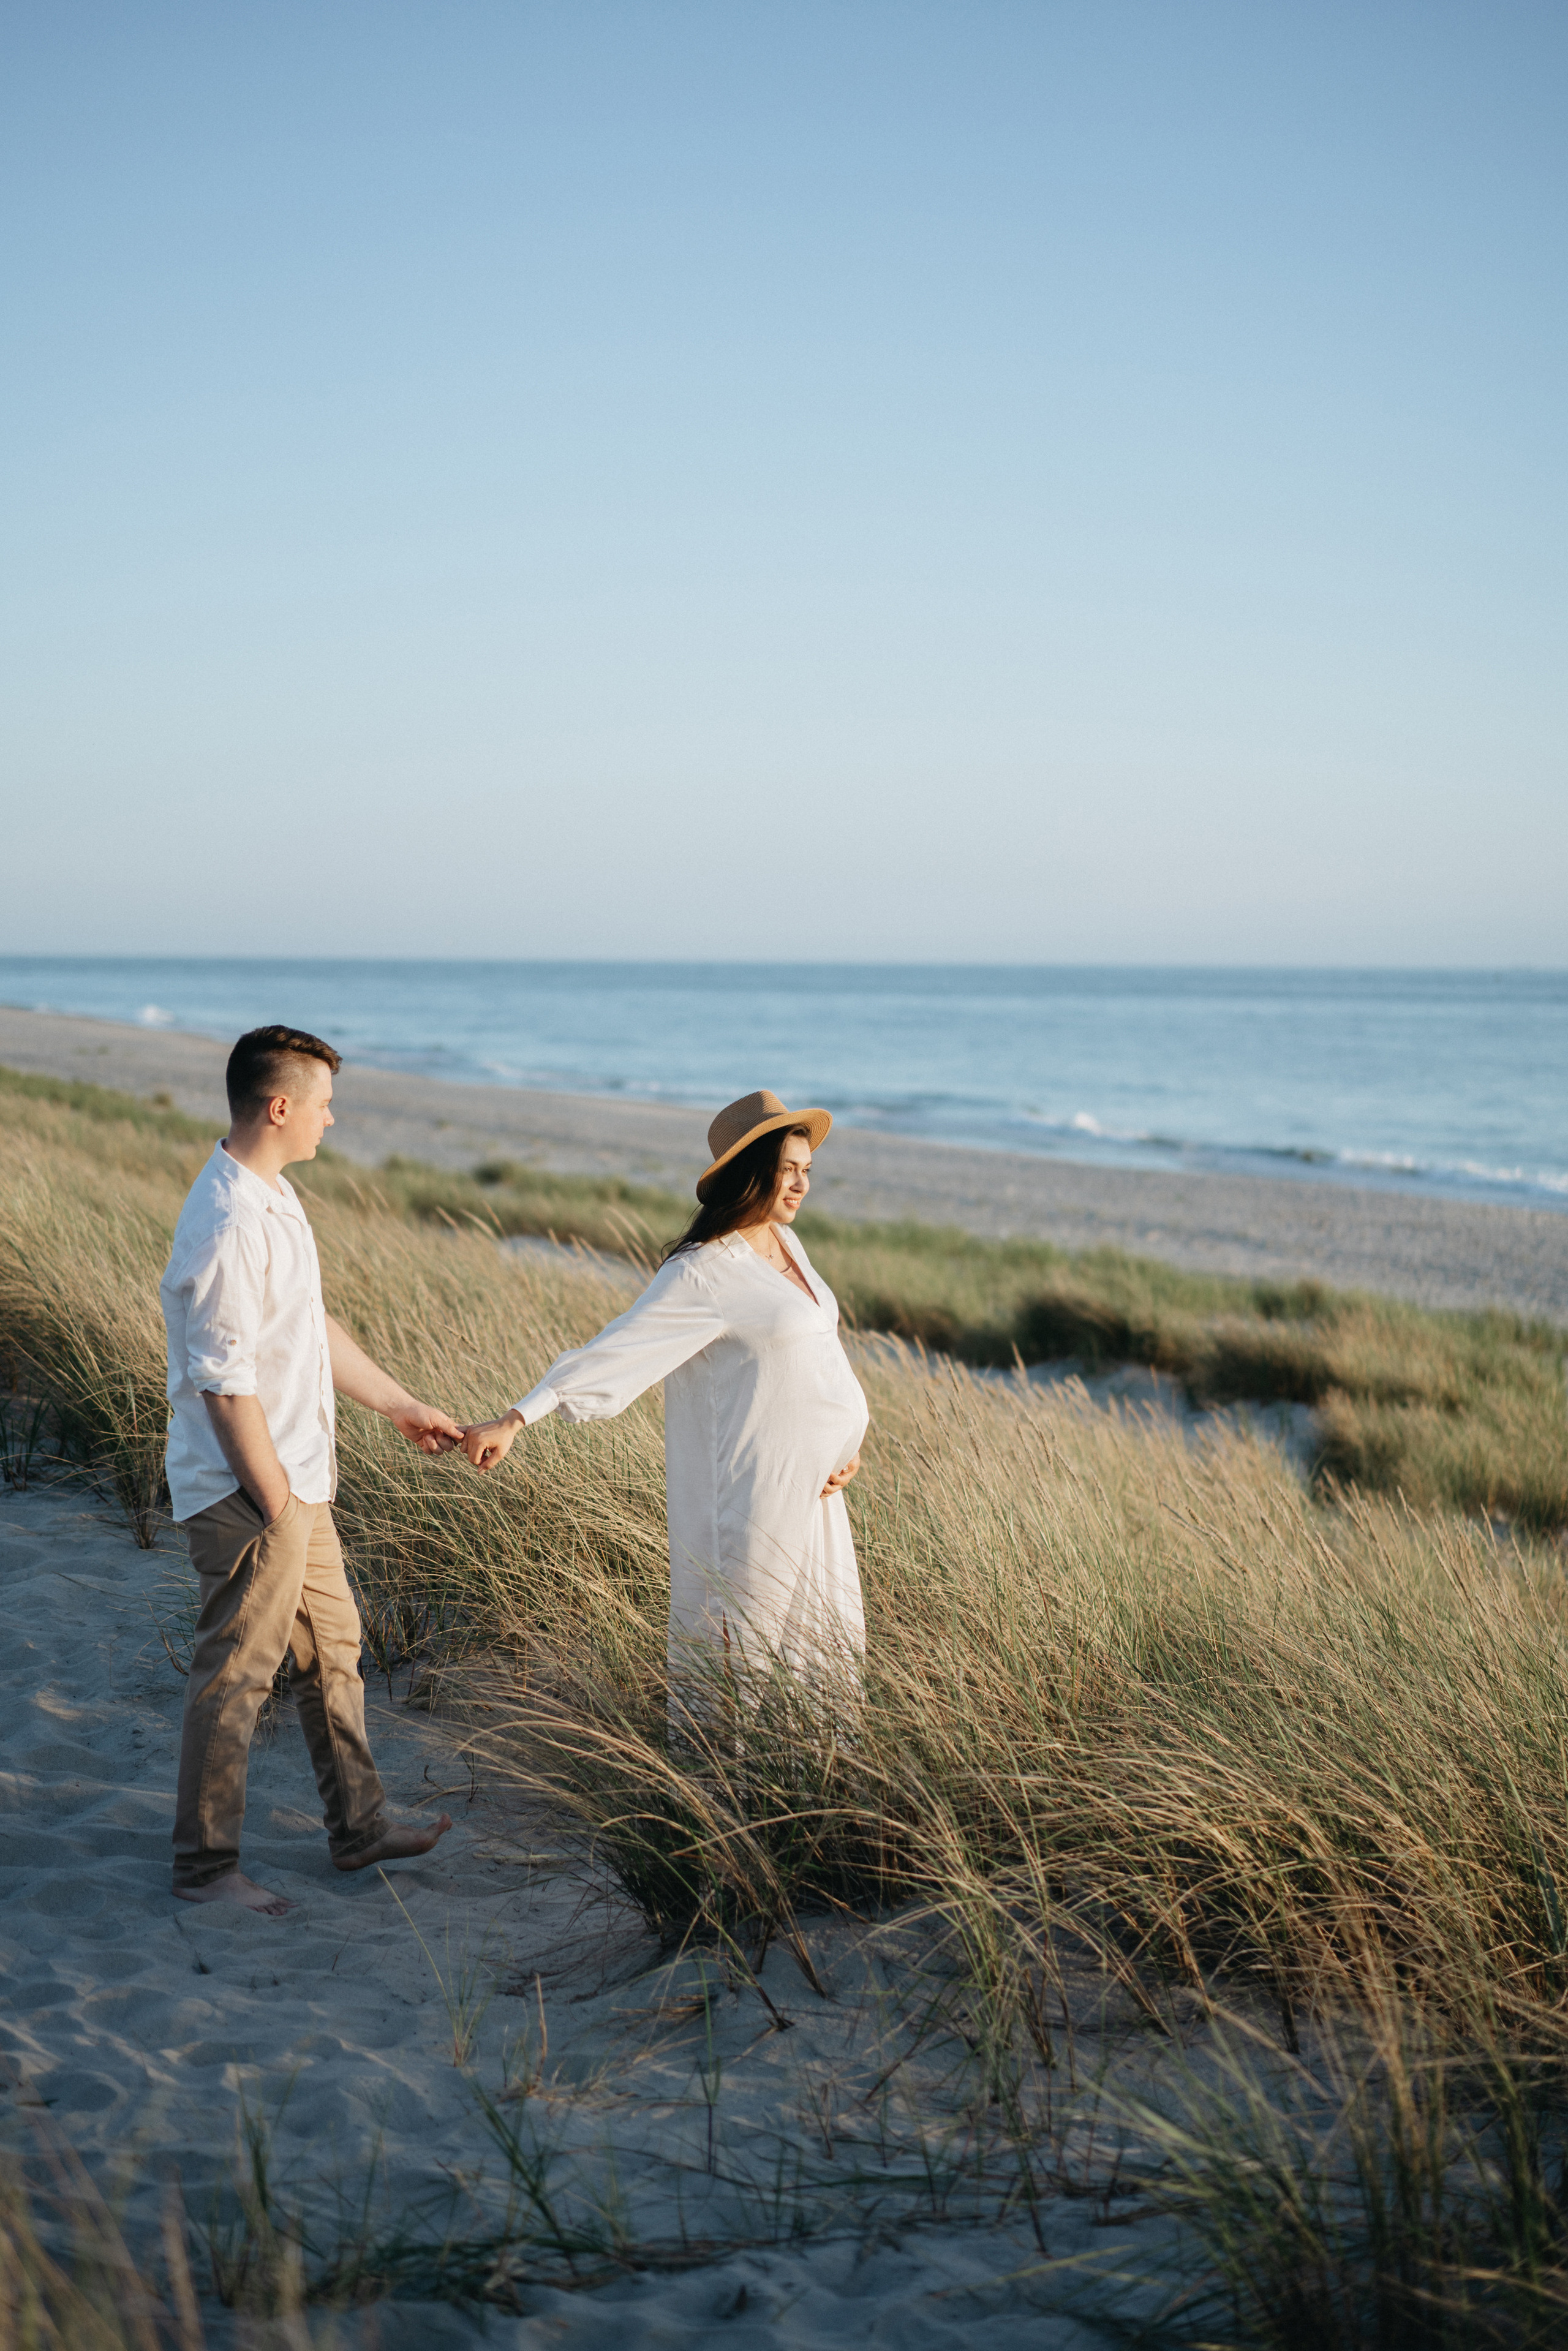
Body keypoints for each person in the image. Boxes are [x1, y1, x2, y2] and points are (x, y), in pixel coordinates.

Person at [161, 1025, 464, 1917]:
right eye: (324, 1102)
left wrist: (401, 1404)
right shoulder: (224, 1219)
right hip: (249, 1490)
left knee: (335, 1650)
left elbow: (310, 1329)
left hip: (296, 1482)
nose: (335, 1117)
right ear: (280, 1105)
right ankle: (206, 1869)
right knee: (237, 1677)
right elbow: (221, 1381)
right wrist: (276, 1499)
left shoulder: (276, 1196)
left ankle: (359, 1828)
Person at [462, 1089, 869, 1684]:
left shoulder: (790, 1245)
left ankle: (807, 1776)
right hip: (753, 1500)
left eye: (807, 1171)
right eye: (787, 1171)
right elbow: (615, 1349)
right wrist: (517, 1417)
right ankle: (723, 1776)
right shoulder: (703, 1272)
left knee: (820, 1646)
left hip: (817, 1494)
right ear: (749, 1174)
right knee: (746, 1644)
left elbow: (816, 1355)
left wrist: (845, 1448)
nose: (802, 1185)